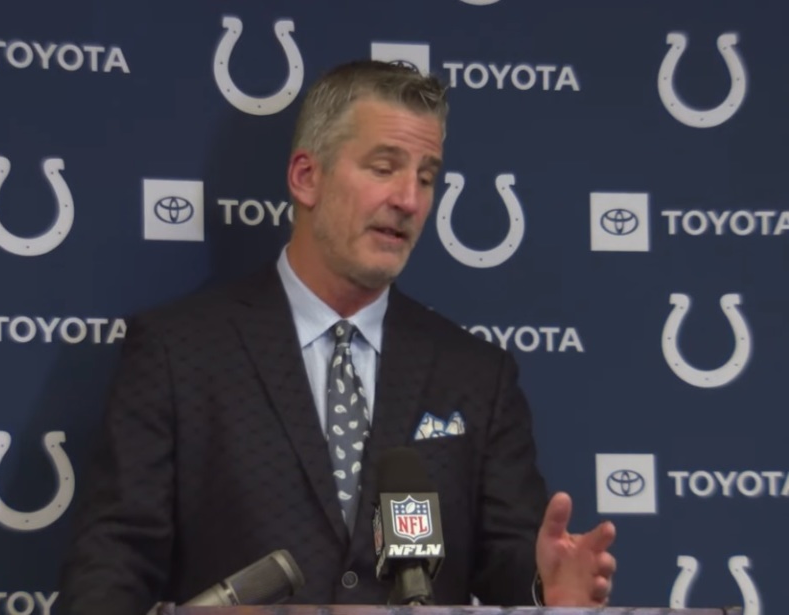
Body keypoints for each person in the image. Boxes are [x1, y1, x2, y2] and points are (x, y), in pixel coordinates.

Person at [57, 60, 615, 614]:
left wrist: (547, 590)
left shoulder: (476, 375)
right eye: (383, 168)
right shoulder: (179, 350)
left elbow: (510, 563)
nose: (409, 200)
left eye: (426, 177)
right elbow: (113, 562)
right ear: (306, 177)